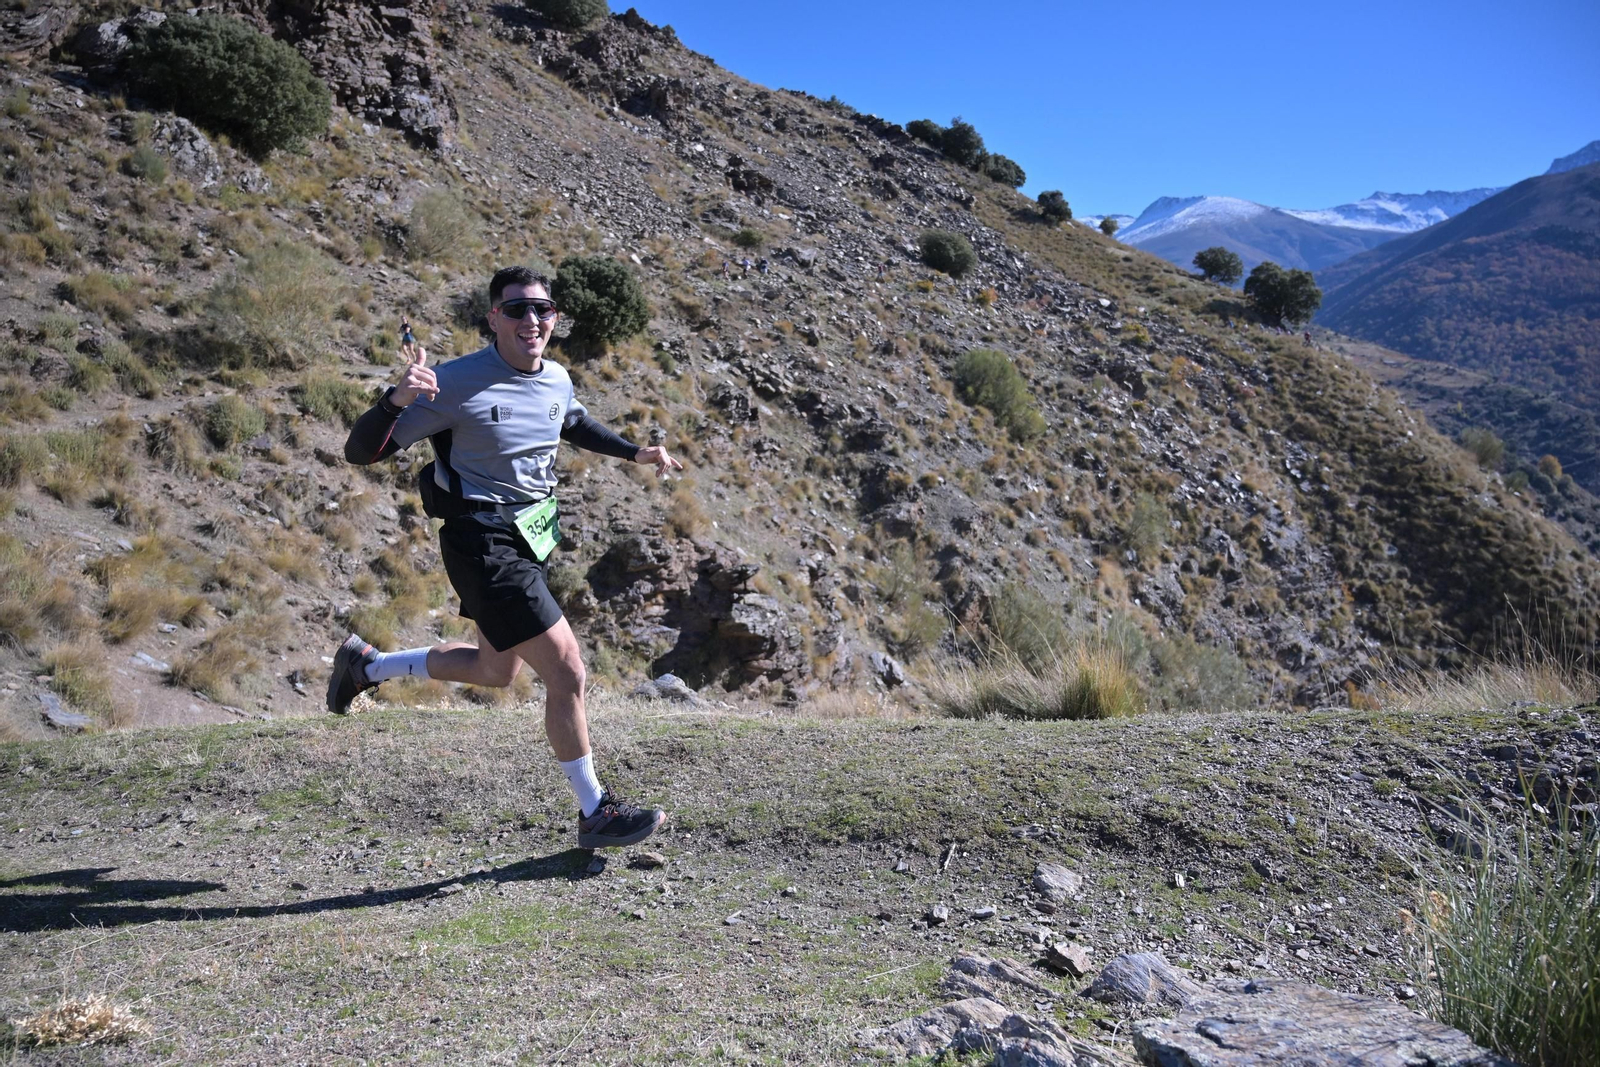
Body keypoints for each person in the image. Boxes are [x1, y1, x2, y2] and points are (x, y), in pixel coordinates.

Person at [326, 265, 684, 850]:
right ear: (493, 317)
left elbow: (570, 421)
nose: (531, 320)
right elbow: (361, 451)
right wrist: (397, 399)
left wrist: (634, 452)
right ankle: (595, 812)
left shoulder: (557, 378)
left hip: (529, 535)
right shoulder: (456, 383)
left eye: (541, 309)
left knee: (497, 672)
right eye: (516, 309)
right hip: (480, 539)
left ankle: (365, 667)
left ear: (555, 319)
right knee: (567, 669)